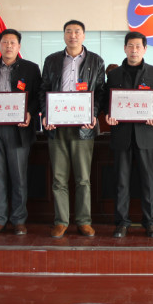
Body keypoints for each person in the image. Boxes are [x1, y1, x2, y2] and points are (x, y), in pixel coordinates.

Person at [40, 20, 105, 238]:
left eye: (77, 32)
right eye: (69, 31)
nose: (73, 35)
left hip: (82, 128)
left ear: (83, 36)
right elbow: (43, 90)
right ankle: (61, 221)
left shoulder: (96, 61)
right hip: (56, 127)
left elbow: (100, 92)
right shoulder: (51, 60)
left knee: (83, 178)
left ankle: (84, 221)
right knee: (59, 178)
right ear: (64, 35)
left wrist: (92, 113)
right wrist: (46, 114)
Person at [0, 29, 42, 236]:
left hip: (18, 131)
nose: (9, 46)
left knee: (18, 177)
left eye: (13, 43)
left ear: (19, 46)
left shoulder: (31, 68)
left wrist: (30, 113)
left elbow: (37, 96)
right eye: (5, 42)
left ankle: (19, 220)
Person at [103, 31, 153, 238]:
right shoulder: (114, 75)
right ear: (124, 48)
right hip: (121, 135)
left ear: (145, 49)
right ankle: (122, 222)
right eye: (130, 46)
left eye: (138, 46)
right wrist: (108, 113)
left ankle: (151, 223)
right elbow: (106, 100)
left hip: (146, 135)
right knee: (121, 181)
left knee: (149, 181)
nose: (134, 50)